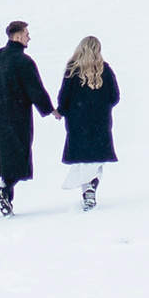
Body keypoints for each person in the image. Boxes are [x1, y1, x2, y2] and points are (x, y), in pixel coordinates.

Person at [0, 20, 52, 215]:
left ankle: (7, 203)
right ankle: (3, 191)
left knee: (7, 157)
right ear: (18, 36)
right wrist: (49, 109)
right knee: (18, 156)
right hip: (17, 116)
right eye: (27, 33)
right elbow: (35, 88)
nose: (29, 37)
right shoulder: (23, 60)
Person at [55, 33, 120, 209]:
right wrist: (102, 107)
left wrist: (62, 111)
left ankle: (87, 191)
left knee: (84, 160)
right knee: (97, 159)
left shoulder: (72, 69)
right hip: (100, 122)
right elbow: (115, 96)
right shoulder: (105, 69)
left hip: (77, 123)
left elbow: (64, 95)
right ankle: (91, 188)